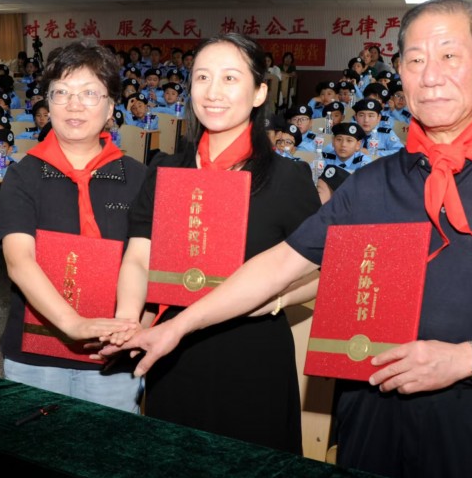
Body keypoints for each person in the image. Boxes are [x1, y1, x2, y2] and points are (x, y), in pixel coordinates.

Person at [106, 0, 472, 478]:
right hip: (369, 404)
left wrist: (466, 357)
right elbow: (281, 264)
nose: (431, 75)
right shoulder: (373, 182)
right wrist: (179, 326)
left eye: (449, 56)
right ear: (401, 71)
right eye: (416, 60)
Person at [107, 33, 321, 451]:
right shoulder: (165, 170)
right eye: (202, 77)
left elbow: (325, 270)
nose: (213, 91)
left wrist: (275, 300)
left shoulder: (287, 179)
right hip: (173, 350)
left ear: (259, 92)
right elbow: (138, 256)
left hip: (252, 352)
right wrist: (129, 320)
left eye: (230, 78)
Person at [0, 40, 146, 412]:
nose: (74, 105)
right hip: (36, 348)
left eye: (89, 93)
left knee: (106, 443)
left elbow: (146, 261)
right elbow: (19, 260)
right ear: (47, 104)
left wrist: (132, 326)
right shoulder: (22, 175)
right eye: (61, 92)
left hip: (114, 349)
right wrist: (73, 324)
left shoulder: (139, 178)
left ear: (111, 106)